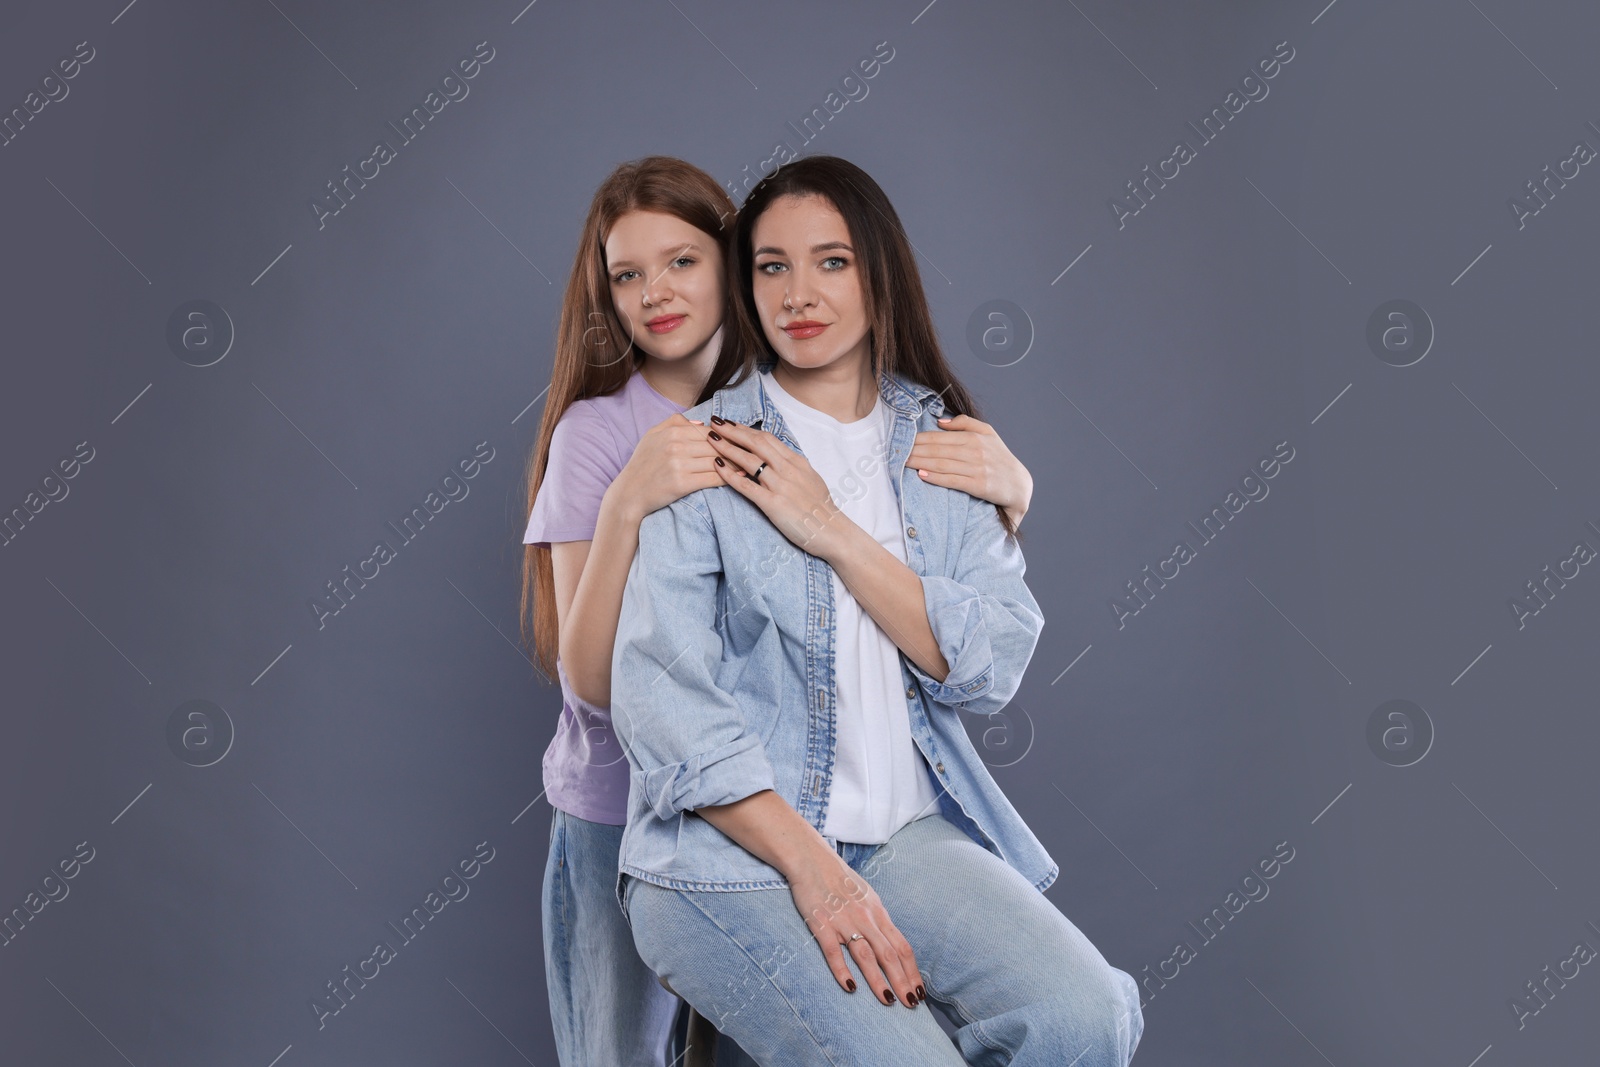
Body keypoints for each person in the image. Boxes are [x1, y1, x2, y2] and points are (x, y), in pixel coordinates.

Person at [611, 156, 1144, 1066]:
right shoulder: (706, 452)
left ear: (878, 272)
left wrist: (831, 530)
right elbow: (662, 704)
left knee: (1087, 1015)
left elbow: (990, 664)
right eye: (771, 266)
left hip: (906, 837)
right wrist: (816, 875)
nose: (799, 292)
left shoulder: (941, 446)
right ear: (746, 285)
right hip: (724, 857)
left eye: (833, 261)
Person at [519, 156, 1038, 1066]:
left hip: (783, 797)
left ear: (728, 267)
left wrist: (1013, 500)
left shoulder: (833, 413)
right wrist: (626, 504)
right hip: (619, 806)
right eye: (627, 275)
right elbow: (596, 686)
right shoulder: (609, 435)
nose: (656, 294)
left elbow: (965, 628)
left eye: (683, 262)